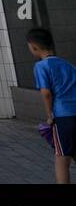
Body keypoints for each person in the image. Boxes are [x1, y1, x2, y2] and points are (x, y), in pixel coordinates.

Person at [28, 26, 76, 184]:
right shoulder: (67, 64)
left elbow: (46, 93)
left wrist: (50, 116)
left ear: (33, 46)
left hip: (62, 116)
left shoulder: (41, 66)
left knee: (61, 158)